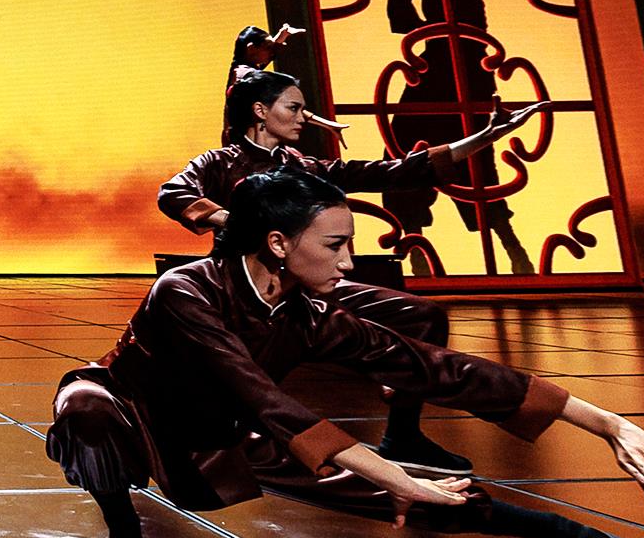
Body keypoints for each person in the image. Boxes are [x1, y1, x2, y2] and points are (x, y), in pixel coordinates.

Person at [48, 168, 644, 538]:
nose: (349, 262)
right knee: (85, 409)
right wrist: (391, 470)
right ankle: (123, 530)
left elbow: (430, 366)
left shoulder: (307, 314)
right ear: (278, 243)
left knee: (412, 497)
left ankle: (564, 535)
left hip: (222, 433)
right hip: (131, 413)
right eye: (335, 246)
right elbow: (261, 396)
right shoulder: (185, 290)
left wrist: (605, 422)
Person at [158, 67, 547, 475]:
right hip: (245, 291)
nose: (303, 118)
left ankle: (404, 435)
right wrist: (232, 220)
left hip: (304, 287)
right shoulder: (219, 163)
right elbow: (174, 193)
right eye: (294, 108)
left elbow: (390, 171)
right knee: (232, 392)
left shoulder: (302, 166)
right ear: (260, 110)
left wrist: (485, 137)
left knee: (423, 315)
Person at [381, 0, 535, 273]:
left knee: (409, 151)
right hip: (465, 63)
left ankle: (418, 254)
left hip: (444, 66)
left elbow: (401, 1)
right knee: (469, 157)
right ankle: (511, 253)